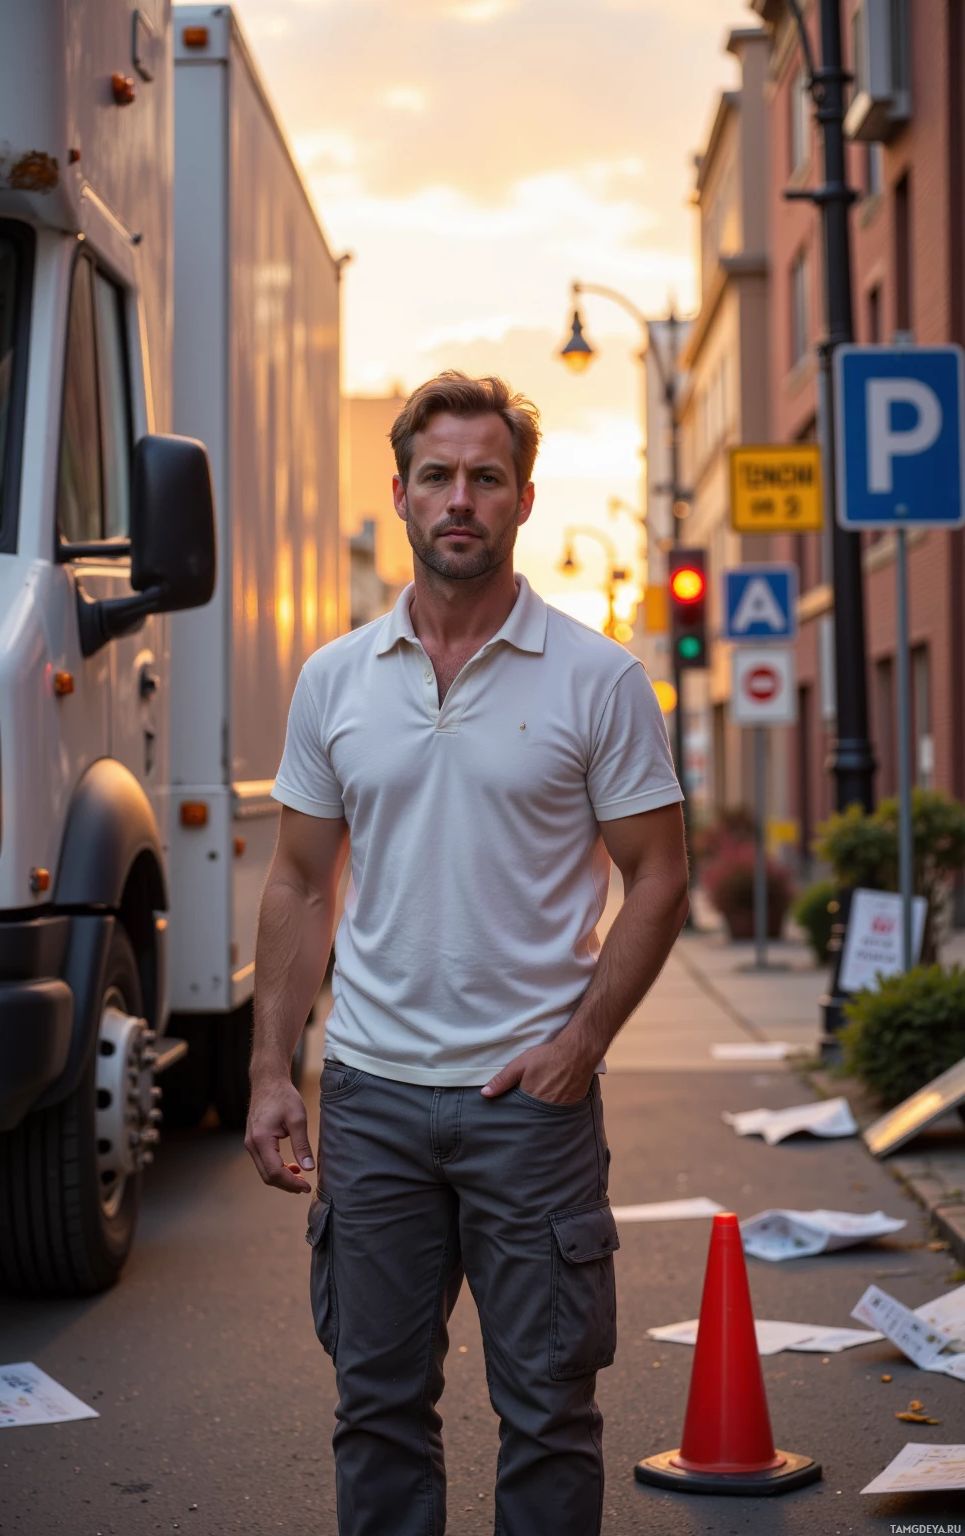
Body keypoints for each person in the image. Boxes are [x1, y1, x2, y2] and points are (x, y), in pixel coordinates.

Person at [246, 371, 689, 1535]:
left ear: (524, 500)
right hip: (373, 1099)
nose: (459, 499)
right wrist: (269, 1071)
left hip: (529, 1110)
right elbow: (298, 882)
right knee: (377, 1410)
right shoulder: (334, 679)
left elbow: (660, 875)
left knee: (547, 1412)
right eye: (436, 475)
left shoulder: (599, 679)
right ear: (398, 493)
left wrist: (579, 1046)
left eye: (485, 477)